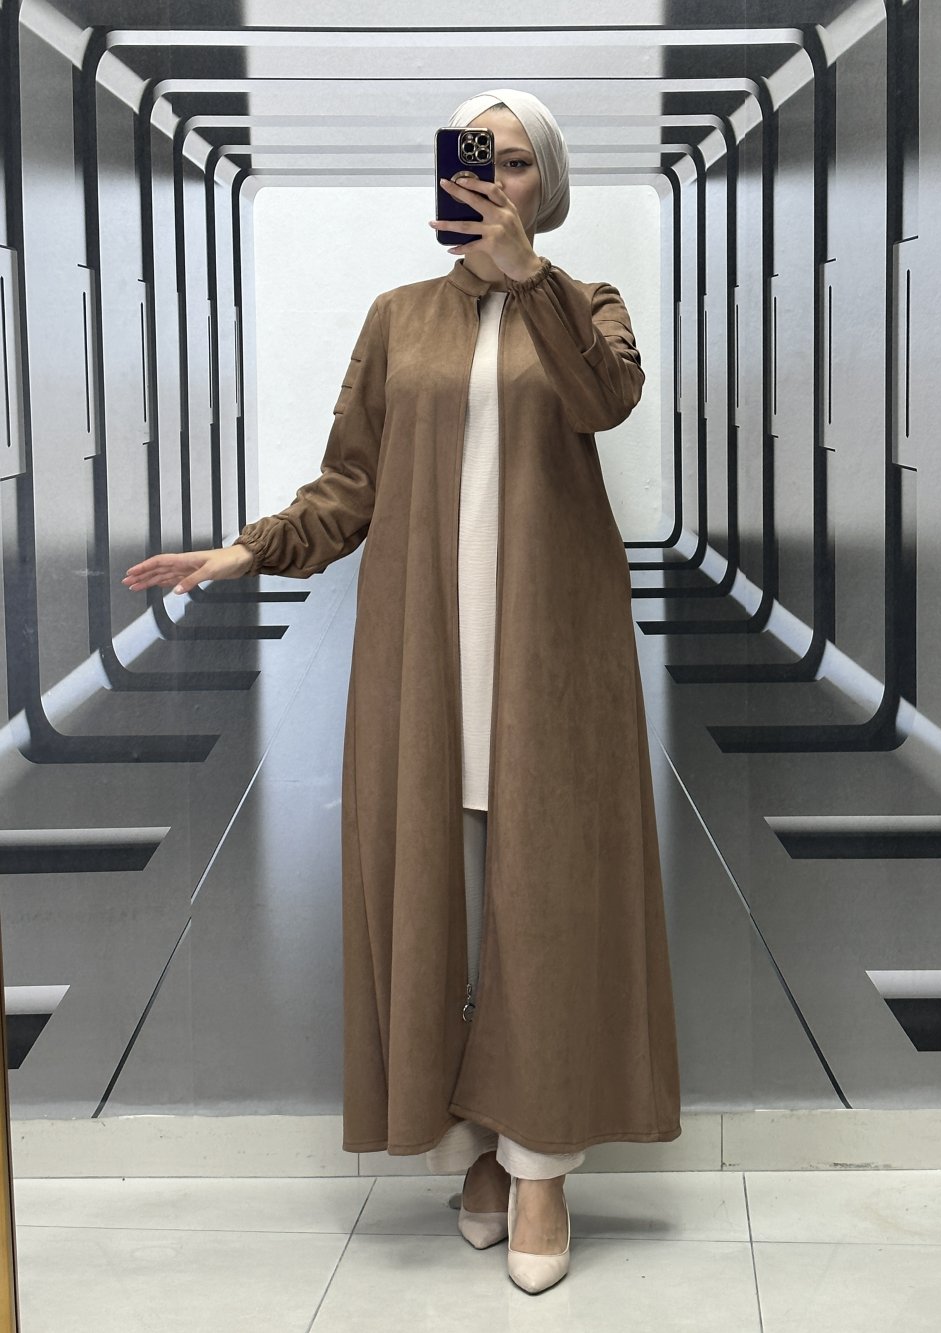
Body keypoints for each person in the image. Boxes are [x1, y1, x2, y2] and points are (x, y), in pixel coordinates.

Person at [123, 87, 682, 1296]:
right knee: (437, 905)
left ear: (547, 184)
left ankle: (541, 1164)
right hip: (423, 655)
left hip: (550, 656)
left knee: (544, 908)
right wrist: (247, 549)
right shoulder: (397, 319)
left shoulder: (587, 304)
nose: (495, 181)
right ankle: (469, 1143)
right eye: (479, 160)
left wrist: (528, 276)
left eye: (516, 163)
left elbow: (606, 402)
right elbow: (349, 485)